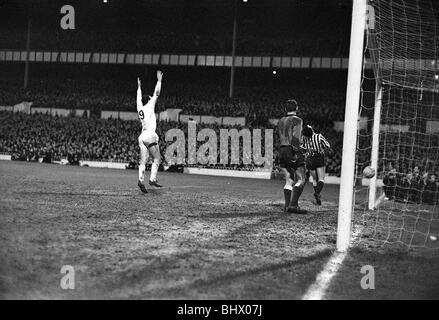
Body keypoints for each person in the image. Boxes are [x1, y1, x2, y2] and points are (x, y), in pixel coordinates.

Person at [277, 99, 307, 214]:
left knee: (289, 179)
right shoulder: (297, 120)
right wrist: (296, 152)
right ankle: (293, 205)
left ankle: (287, 206)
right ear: (297, 108)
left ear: (285, 109)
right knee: (301, 178)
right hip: (291, 149)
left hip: (282, 149)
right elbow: (295, 138)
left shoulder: (281, 120)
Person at [136, 71, 163, 193]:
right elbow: (156, 93)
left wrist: (139, 87)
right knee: (157, 158)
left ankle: (141, 180)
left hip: (142, 137)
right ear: (149, 100)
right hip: (150, 135)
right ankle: (152, 179)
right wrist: (159, 81)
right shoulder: (150, 105)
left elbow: (138, 99)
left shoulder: (140, 108)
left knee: (143, 160)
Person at [302, 125, 331, 205]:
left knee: (314, 179)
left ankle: (317, 196)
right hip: (319, 157)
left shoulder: (304, 138)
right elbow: (327, 145)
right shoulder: (318, 136)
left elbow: (302, 147)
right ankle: (317, 193)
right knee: (321, 179)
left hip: (310, 159)